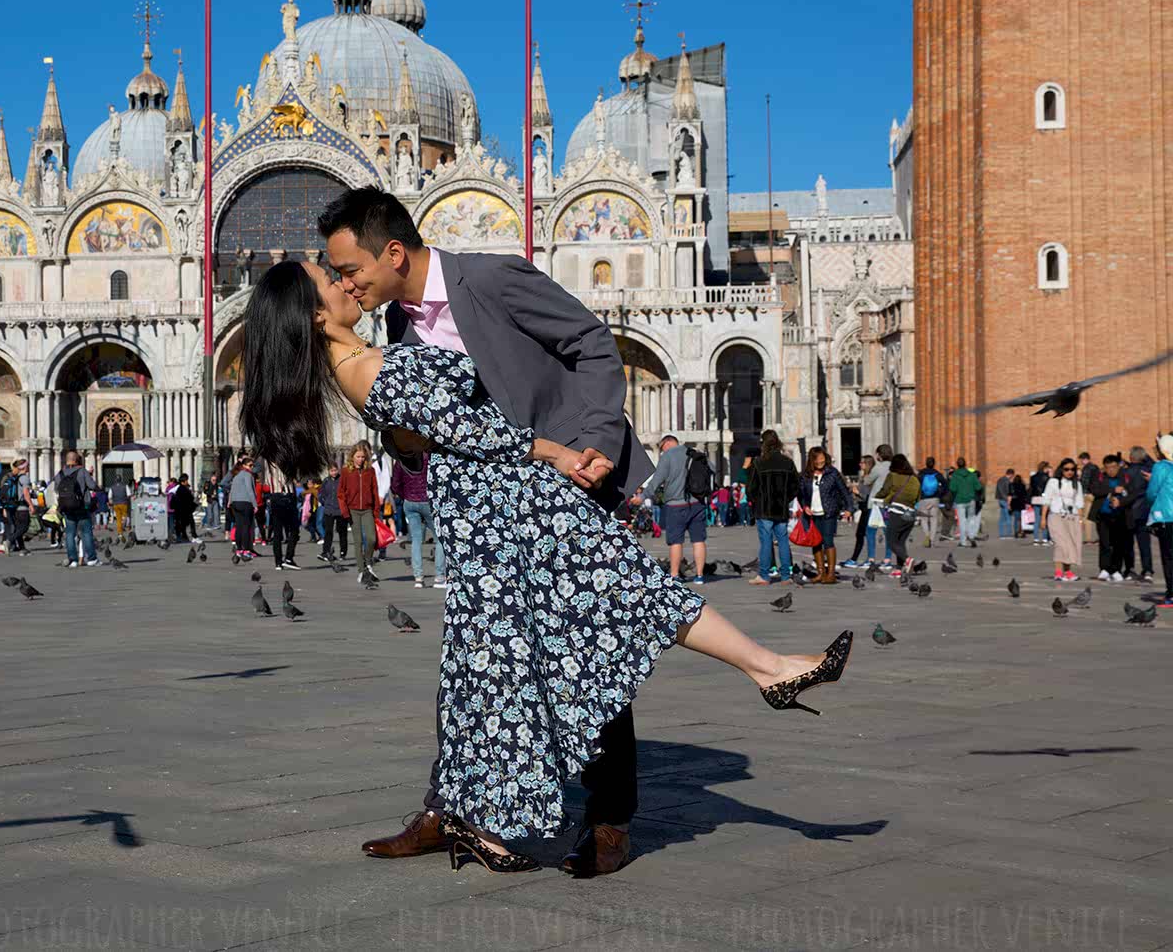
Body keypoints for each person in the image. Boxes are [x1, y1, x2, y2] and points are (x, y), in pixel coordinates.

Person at [238, 259, 852, 872]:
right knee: (598, 616)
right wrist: (554, 452)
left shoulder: (369, 354)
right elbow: (475, 432)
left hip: (508, 507)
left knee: (525, 656)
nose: (346, 282)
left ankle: (767, 671)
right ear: (316, 313)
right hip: (512, 509)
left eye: (343, 270)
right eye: (330, 280)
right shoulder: (366, 367)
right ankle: (766, 672)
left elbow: (440, 430)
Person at [319, 186, 659, 877]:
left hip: (568, 483)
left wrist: (592, 442)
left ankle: (608, 817)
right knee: (472, 660)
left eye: (349, 269)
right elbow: (442, 434)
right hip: (488, 519)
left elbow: (591, 341)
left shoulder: (493, 277)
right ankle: (452, 808)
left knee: (588, 651)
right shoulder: (397, 330)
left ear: (392, 251)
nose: (343, 282)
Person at [642, 435, 712, 584]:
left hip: (676, 505)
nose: (662, 451)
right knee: (699, 540)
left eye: (662, 448)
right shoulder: (694, 452)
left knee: (676, 542)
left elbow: (657, 480)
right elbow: (711, 469)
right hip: (697, 503)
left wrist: (643, 496)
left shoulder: (668, 456)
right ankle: (699, 576)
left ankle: (674, 575)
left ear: (667, 443)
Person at [746, 429, 799, 585]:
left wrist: (755, 501)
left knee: (766, 541)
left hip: (764, 509)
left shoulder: (758, 462)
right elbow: (795, 485)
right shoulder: (787, 462)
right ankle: (785, 576)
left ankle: (764, 575)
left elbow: (750, 488)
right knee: (782, 541)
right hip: (781, 508)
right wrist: (785, 499)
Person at [799, 447, 854, 584]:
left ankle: (830, 574)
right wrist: (805, 506)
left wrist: (849, 508)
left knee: (828, 541)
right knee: (816, 542)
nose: (820, 462)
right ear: (812, 460)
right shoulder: (806, 475)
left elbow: (844, 491)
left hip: (829, 512)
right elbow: (801, 494)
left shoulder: (832, 473)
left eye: (822, 459)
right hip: (813, 513)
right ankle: (820, 573)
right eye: (817, 459)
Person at [392, 453, 445, 588]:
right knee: (439, 538)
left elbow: (395, 484)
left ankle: (418, 578)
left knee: (416, 540)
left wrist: (406, 496)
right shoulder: (429, 458)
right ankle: (439, 577)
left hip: (409, 502)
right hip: (427, 501)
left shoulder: (401, 460)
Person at [338, 442, 382, 579]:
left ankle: (368, 562)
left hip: (367, 509)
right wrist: (345, 511)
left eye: (363, 457)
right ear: (352, 457)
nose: (361, 459)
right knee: (358, 541)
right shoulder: (346, 471)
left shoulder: (370, 471)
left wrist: (376, 510)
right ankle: (361, 570)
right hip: (352, 510)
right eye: (358, 457)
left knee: (371, 538)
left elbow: (375, 491)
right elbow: (340, 493)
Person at [875, 455, 921, 575]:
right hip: (910, 514)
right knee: (900, 542)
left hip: (897, 512)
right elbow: (918, 497)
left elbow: (884, 491)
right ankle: (899, 569)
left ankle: (907, 560)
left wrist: (876, 497)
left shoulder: (893, 476)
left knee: (891, 541)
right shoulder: (914, 478)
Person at [1041, 458, 1086, 581]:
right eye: (1066, 469)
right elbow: (1046, 501)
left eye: (1072, 469)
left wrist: (1081, 520)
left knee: (1071, 544)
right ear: (1061, 470)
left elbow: (1079, 502)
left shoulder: (1077, 484)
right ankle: (1058, 572)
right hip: (1056, 516)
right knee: (1061, 544)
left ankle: (1068, 571)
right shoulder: (1053, 482)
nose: (1069, 472)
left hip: (1072, 517)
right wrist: (1043, 519)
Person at [55, 451, 101, 567]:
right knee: (86, 532)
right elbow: (92, 486)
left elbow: (56, 489)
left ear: (66, 460)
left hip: (67, 507)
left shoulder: (60, 474)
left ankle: (73, 560)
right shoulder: (82, 471)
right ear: (76, 460)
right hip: (81, 506)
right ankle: (91, 559)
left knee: (70, 533)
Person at [1089, 455, 1131, 581]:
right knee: (1105, 543)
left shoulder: (1125, 477)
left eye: (1114, 467)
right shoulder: (1099, 476)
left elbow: (1131, 493)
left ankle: (1116, 569)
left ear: (1119, 466)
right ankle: (1104, 569)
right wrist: (1113, 489)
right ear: (1104, 468)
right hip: (1103, 515)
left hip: (1120, 515)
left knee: (1118, 544)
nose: (1111, 470)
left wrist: (1121, 498)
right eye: (1108, 467)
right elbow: (1095, 490)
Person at [843, 452, 887, 568]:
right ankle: (856, 558)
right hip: (864, 508)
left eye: (862, 462)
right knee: (861, 534)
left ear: (867, 464)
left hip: (869, 509)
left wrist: (858, 492)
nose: (859, 464)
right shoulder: (864, 477)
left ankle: (862, 559)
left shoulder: (870, 479)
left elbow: (868, 495)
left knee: (865, 534)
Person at [1147, 434, 1173, 606]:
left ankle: (1171, 593)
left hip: (1167, 516)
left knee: (1169, 556)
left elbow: (1152, 492)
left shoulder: (1161, 467)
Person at [1124, 447, 1155, 583]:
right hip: (1143, 510)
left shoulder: (1126, 472)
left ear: (1131, 457)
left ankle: (1130, 569)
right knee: (1144, 543)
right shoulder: (1148, 470)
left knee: (1128, 542)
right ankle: (1147, 570)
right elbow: (1153, 464)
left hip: (1128, 510)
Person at [266, 477, 302, 571]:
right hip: (287, 496)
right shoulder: (288, 464)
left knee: (277, 533)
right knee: (294, 530)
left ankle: (278, 562)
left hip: (275, 497)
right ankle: (289, 558)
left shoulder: (269, 465)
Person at [948, 458, 984, 547]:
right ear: (965, 464)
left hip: (960, 500)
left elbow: (952, 488)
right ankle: (971, 536)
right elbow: (979, 487)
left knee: (962, 521)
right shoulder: (971, 475)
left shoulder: (955, 475)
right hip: (971, 499)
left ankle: (963, 541)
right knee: (971, 519)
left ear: (957, 465)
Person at [228, 458, 258, 559]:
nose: (252, 467)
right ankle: (246, 550)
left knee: (239, 526)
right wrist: (255, 504)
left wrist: (230, 501)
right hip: (245, 502)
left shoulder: (236, 476)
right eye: (250, 465)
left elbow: (232, 489)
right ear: (244, 465)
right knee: (246, 526)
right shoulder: (248, 475)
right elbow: (250, 490)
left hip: (235, 503)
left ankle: (239, 548)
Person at [318, 463, 348, 561]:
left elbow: (347, 492)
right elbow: (321, 494)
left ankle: (343, 552)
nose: (334, 473)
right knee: (328, 532)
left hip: (340, 510)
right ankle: (325, 551)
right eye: (332, 471)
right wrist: (324, 502)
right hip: (329, 510)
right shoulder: (326, 481)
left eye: (335, 470)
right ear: (329, 471)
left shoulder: (342, 480)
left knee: (342, 532)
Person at [916, 456, 946, 548]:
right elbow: (945, 485)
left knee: (924, 519)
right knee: (934, 520)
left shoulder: (921, 474)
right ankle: (932, 541)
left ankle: (927, 536)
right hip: (935, 499)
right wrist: (940, 494)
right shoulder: (937, 474)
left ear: (926, 463)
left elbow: (916, 485)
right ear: (934, 464)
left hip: (923, 499)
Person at [1078, 452, 1099, 545]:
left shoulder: (1087, 469)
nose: (1081, 462)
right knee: (1094, 516)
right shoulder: (1096, 468)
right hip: (1095, 494)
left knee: (1086, 517)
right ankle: (1096, 537)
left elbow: (1084, 482)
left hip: (1087, 494)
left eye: (1081, 460)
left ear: (1084, 459)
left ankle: (1088, 538)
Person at [1030, 461, 1053, 546]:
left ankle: (1036, 539)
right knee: (1045, 519)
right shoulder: (1047, 478)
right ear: (1045, 468)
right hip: (1044, 499)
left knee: (1037, 520)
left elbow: (1031, 489)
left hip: (1035, 499)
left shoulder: (1033, 477)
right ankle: (1045, 539)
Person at [171, 474, 197, 542]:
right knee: (188, 523)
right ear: (183, 481)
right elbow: (189, 499)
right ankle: (192, 536)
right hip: (185, 510)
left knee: (184, 524)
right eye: (186, 480)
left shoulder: (180, 489)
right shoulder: (182, 489)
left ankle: (184, 536)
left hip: (182, 510)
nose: (187, 482)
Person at [995, 469, 1015, 539]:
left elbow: (999, 490)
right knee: (1008, 516)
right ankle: (1008, 533)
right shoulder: (1006, 480)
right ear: (1011, 474)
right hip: (1004, 500)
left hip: (1000, 499)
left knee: (1002, 517)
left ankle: (1001, 534)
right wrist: (1007, 499)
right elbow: (1004, 491)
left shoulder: (1000, 479)